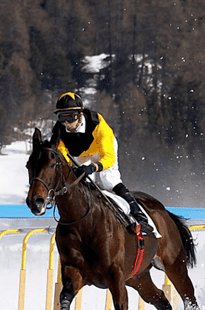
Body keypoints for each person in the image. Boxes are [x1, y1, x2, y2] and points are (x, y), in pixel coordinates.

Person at [52, 92, 153, 235]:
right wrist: (72, 169)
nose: (66, 122)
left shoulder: (99, 126)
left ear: (80, 114)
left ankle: (140, 217)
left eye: (70, 116)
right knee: (82, 182)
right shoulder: (59, 130)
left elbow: (109, 157)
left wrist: (93, 167)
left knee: (109, 182)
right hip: (80, 153)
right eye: (62, 117)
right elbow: (63, 154)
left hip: (102, 150)